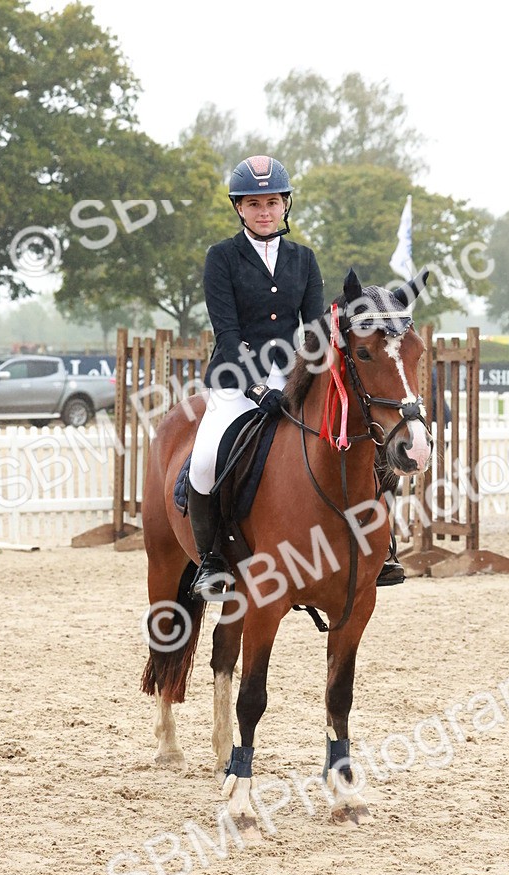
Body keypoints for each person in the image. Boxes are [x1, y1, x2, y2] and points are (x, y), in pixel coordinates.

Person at [188, 154, 404, 601]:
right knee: (207, 459)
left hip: (292, 380)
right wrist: (255, 387)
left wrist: (315, 367)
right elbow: (227, 333)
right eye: (253, 203)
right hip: (235, 381)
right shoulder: (221, 258)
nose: (264, 211)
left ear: (285, 204)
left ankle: (381, 546)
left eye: (272, 202)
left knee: (364, 441)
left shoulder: (303, 259)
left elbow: (314, 329)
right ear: (239, 208)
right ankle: (212, 558)